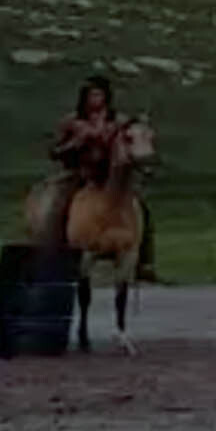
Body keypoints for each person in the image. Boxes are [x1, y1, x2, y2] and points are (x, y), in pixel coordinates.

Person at [40, 74, 159, 282]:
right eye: (91, 95)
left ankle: (144, 261)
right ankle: (54, 253)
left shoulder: (118, 121)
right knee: (59, 204)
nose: (96, 99)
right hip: (82, 173)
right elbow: (54, 151)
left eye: (100, 95)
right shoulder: (73, 121)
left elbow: (131, 145)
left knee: (141, 207)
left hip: (111, 175)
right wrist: (75, 143)